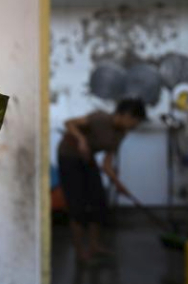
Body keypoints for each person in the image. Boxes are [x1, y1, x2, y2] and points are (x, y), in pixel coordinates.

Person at [58, 98, 147, 262]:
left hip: (87, 158)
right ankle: (80, 253)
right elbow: (68, 123)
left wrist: (118, 183)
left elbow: (107, 164)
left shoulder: (121, 134)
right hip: (69, 156)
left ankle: (95, 246)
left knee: (98, 201)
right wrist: (81, 139)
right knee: (77, 206)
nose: (135, 126)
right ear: (126, 114)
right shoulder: (100, 118)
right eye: (135, 121)